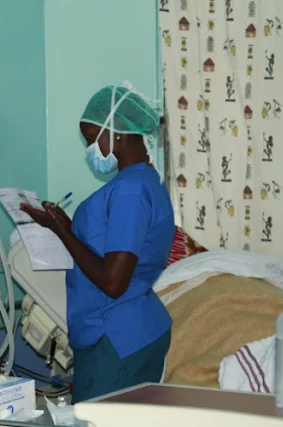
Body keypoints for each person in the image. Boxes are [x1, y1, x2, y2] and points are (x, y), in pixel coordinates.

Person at [20, 82, 175, 403]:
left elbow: (113, 280)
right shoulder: (145, 180)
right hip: (132, 329)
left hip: (115, 336)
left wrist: (62, 231)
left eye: (91, 139)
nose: (90, 149)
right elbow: (111, 250)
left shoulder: (129, 192)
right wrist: (65, 224)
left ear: (117, 132)